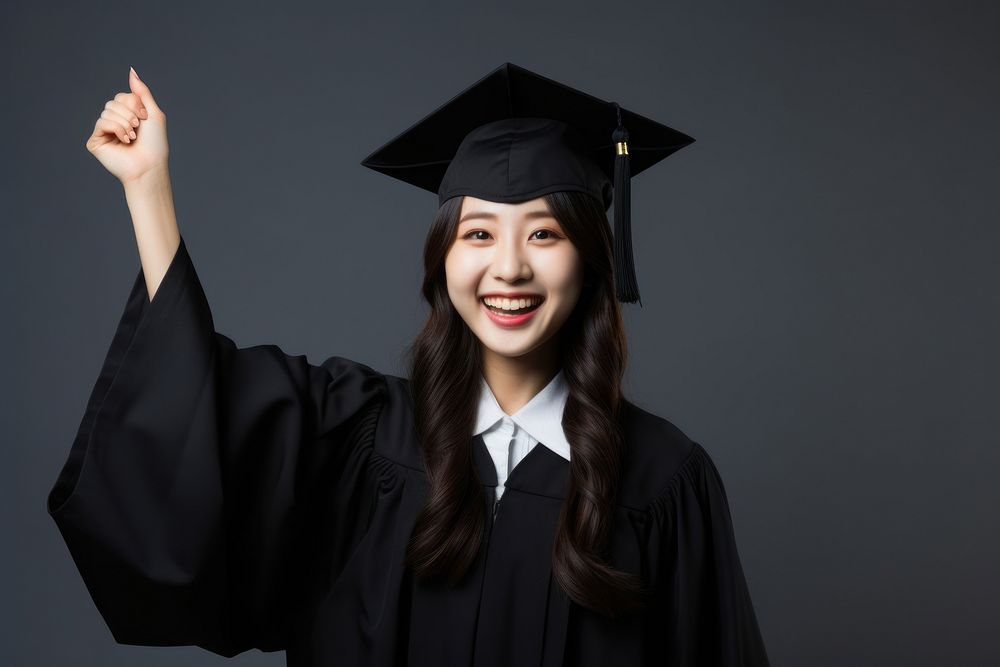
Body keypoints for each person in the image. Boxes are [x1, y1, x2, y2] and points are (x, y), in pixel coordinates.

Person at [47, 63, 771, 666]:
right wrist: (148, 190)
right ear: (443, 261)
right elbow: (195, 407)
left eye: (545, 232)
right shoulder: (362, 440)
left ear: (590, 259)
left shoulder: (664, 481)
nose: (509, 267)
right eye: (478, 232)